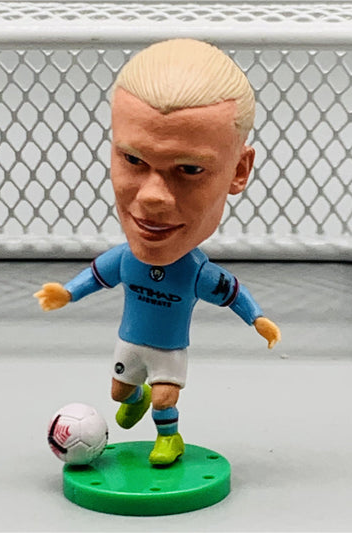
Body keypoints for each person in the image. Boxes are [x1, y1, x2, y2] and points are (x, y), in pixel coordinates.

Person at [34, 39, 281, 466]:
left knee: (166, 396)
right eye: (132, 159)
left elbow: (232, 293)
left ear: (239, 170)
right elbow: (96, 277)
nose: (152, 197)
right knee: (119, 391)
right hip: (130, 341)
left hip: (169, 349)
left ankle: (170, 439)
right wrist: (67, 293)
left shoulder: (196, 273)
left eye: (190, 169)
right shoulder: (126, 260)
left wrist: (257, 319)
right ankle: (137, 398)